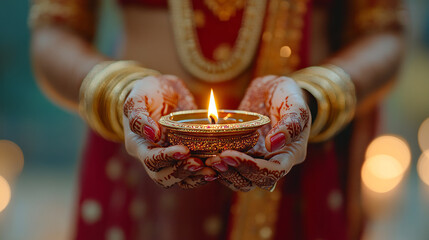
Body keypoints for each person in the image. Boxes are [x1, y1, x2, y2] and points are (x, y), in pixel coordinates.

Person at [29, 0, 406, 239]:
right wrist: (119, 93)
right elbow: (54, 29)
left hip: (298, 169)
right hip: (136, 169)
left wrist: (314, 97)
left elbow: (382, 29)